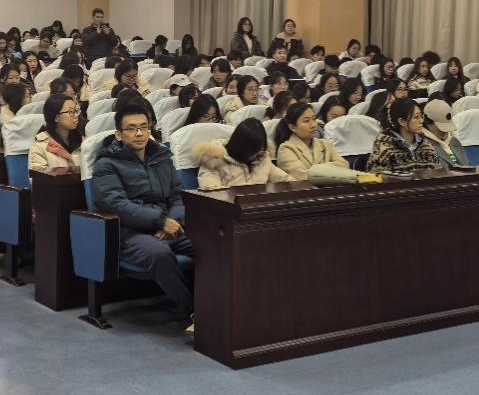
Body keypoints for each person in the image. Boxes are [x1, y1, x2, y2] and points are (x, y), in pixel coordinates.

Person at [92, 105, 193, 328]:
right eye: (131, 128)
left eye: (144, 127)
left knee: (212, 244)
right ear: (119, 134)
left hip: (167, 225)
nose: (139, 133)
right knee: (159, 254)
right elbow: (117, 205)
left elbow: (178, 195)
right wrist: (160, 221)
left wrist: (174, 222)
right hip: (130, 232)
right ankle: (195, 313)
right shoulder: (106, 164)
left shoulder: (162, 157)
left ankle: (218, 305)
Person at [194, 118, 293, 189]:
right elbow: (211, 193)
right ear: (242, 147)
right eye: (253, 151)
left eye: (259, 150)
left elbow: (285, 180)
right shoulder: (214, 160)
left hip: (259, 207)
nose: (256, 155)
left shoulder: (262, 158)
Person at [274, 102, 348, 180]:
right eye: (306, 121)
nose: (313, 125)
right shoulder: (286, 149)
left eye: (314, 119)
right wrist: (331, 168)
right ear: (292, 127)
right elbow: (302, 176)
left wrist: (315, 169)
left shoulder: (325, 144)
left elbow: (344, 165)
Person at [368, 98, 442, 174]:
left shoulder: (425, 144)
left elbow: (437, 172)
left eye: (421, 116)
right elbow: (377, 177)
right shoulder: (384, 148)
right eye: (416, 117)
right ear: (402, 121)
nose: (421, 121)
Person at [29, 93, 83, 173]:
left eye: (76, 111)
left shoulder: (83, 141)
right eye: (71, 112)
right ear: (56, 117)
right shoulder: (39, 148)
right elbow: (40, 178)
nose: (76, 116)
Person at [419, 99, 470, 169]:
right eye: (440, 128)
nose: (445, 132)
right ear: (428, 123)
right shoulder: (422, 146)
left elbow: (468, 166)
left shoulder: (454, 141)